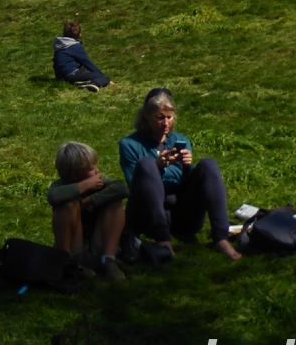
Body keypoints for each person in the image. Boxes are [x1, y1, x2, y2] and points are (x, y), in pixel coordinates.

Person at [118, 88, 241, 261]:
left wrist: (187, 167)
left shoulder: (179, 140)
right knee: (146, 165)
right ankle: (163, 240)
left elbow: (184, 182)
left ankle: (221, 237)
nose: (165, 123)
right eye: (160, 117)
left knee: (208, 165)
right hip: (149, 214)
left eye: (169, 117)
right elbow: (135, 184)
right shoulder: (129, 144)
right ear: (146, 117)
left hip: (182, 214)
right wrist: (158, 166)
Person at [48, 142, 128, 281]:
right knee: (67, 206)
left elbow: (122, 189)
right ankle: (67, 264)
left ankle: (108, 259)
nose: (97, 171)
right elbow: (54, 197)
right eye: (91, 168)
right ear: (75, 174)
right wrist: (84, 186)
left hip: (98, 243)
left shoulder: (99, 182)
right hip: (75, 248)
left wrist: (90, 200)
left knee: (115, 202)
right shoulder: (61, 186)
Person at [52, 20, 111, 90]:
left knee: (86, 72)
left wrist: (59, 78)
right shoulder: (74, 46)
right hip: (72, 75)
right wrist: (103, 77)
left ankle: (82, 82)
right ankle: (94, 84)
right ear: (79, 34)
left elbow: (56, 64)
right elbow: (87, 63)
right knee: (102, 78)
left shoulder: (60, 45)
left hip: (63, 76)